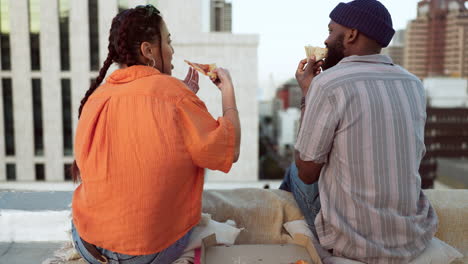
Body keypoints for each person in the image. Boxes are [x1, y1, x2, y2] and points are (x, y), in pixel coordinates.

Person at [70, 5, 241, 264]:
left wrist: (182, 96)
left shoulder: (98, 96)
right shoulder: (173, 95)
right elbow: (230, 150)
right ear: (148, 51)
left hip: (90, 246)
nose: (172, 50)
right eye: (168, 41)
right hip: (148, 252)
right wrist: (228, 92)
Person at [280, 0, 438, 262]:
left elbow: (308, 172)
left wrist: (309, 93)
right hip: (412, 235)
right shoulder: (413, 84)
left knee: (293, 172)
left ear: (351, 34)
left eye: (331, 31)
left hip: (353, 242)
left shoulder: (328, 83)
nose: (327, 40)